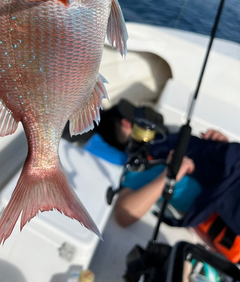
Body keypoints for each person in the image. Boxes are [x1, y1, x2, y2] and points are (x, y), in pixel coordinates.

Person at [94, 100, 240, 239]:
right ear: (127, 124)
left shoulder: (170, 136)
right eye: (138, 114)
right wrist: (170, 174)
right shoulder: (138, 169)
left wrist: (220, 145)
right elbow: (123, 214)